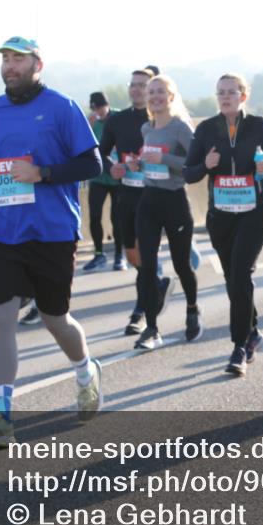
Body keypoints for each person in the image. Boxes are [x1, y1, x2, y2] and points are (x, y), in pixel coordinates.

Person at [0, 36, 104, 447]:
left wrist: (42, 173)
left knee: (54, 318)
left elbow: (92, 164)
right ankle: (2, 416)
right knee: (2, 315)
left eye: (17, 59)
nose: (9, 66)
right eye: (5, 59)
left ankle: (84, 370)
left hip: (51, 232)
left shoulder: (62, 108)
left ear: (37, 64)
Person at [183, 74, 263, 376]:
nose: (226, 97)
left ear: (244, 95)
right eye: (221, 93)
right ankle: (253, 331)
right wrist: (207, 165)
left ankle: (239, 346)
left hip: (255, 211)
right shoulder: (206, 129)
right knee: (233, 278)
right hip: (221, 215)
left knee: (241, 271)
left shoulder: (258, 125)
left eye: (232, 92)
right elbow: (189, 173)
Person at [98, 68, 174, 336]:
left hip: (154, 195)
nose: (136, 89)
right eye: (133, 85)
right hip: (126, 193)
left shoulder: (164, 120)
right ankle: (155, 284)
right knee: (133, 255)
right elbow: (101, 153)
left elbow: (183, 152)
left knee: (146, 253)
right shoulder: (118, 120)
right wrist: (112, 168)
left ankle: (140, 313)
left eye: (143, 85)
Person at [132, 75, 203, 350]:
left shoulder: (179, 127)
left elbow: (194, 163)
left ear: (171, 97)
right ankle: (151, 327)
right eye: (151, 92)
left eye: (161, 92)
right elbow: (150, 165)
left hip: (174, 201)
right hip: (149, 201)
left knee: (181, 264)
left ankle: (192, 308)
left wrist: (164, 159)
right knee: (146, 266)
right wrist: (138, 165)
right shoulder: (145, 129)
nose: (155, 97)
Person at [83, 91, 126, 272]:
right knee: (94, 216)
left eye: (100, 108)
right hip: (99, 177)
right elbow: (82, 147)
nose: (97, 112)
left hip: (118, 176)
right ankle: (99, 253)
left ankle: (119, 255)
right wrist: (87, 127)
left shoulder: (118, 118)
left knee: (117, 218)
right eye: (94, 108)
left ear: (106, 105)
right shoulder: (90, 123)